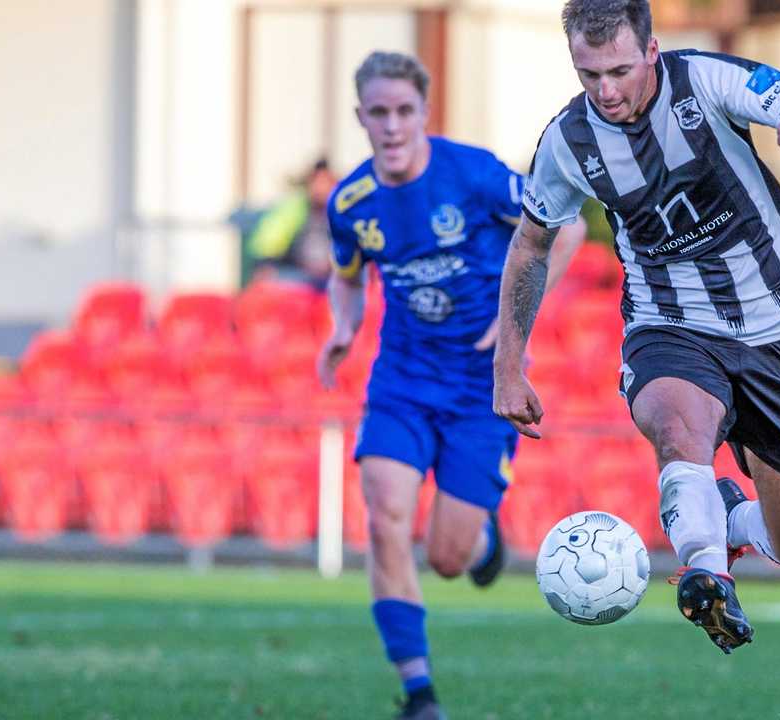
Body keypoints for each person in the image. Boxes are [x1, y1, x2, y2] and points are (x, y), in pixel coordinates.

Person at [492, 0, 780, 654]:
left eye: (619, 70)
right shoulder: (569, 142)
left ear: (652, 51)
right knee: (673, 421)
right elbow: (530, 246)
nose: (605, 90)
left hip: (778, 330)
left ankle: (725, 518)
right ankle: (705, 571)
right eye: (588, 74)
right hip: (668, 322)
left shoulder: (707, 82)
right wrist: (508, 366)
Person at [318, 51, 584, 720]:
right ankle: (418, 692)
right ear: (361, 118)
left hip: (481, 389)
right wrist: (343, 327)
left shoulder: (471, 173)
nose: (392, 125)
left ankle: (484, 542)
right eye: (378, 112)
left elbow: (569, 225)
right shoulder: (351, 202)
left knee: (446, 557)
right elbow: (346, 276)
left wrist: (516, 316)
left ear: (424, 114)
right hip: (403, 381)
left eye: (404, 110)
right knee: (384, 518)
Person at [242, 159, 339, 292]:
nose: (321, 189)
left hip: (333, 277)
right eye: (317, 182)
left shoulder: (342, 211)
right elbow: (268, 245)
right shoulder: (293, 209)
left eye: (326, 183)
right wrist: (265, 266)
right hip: (297, 275)